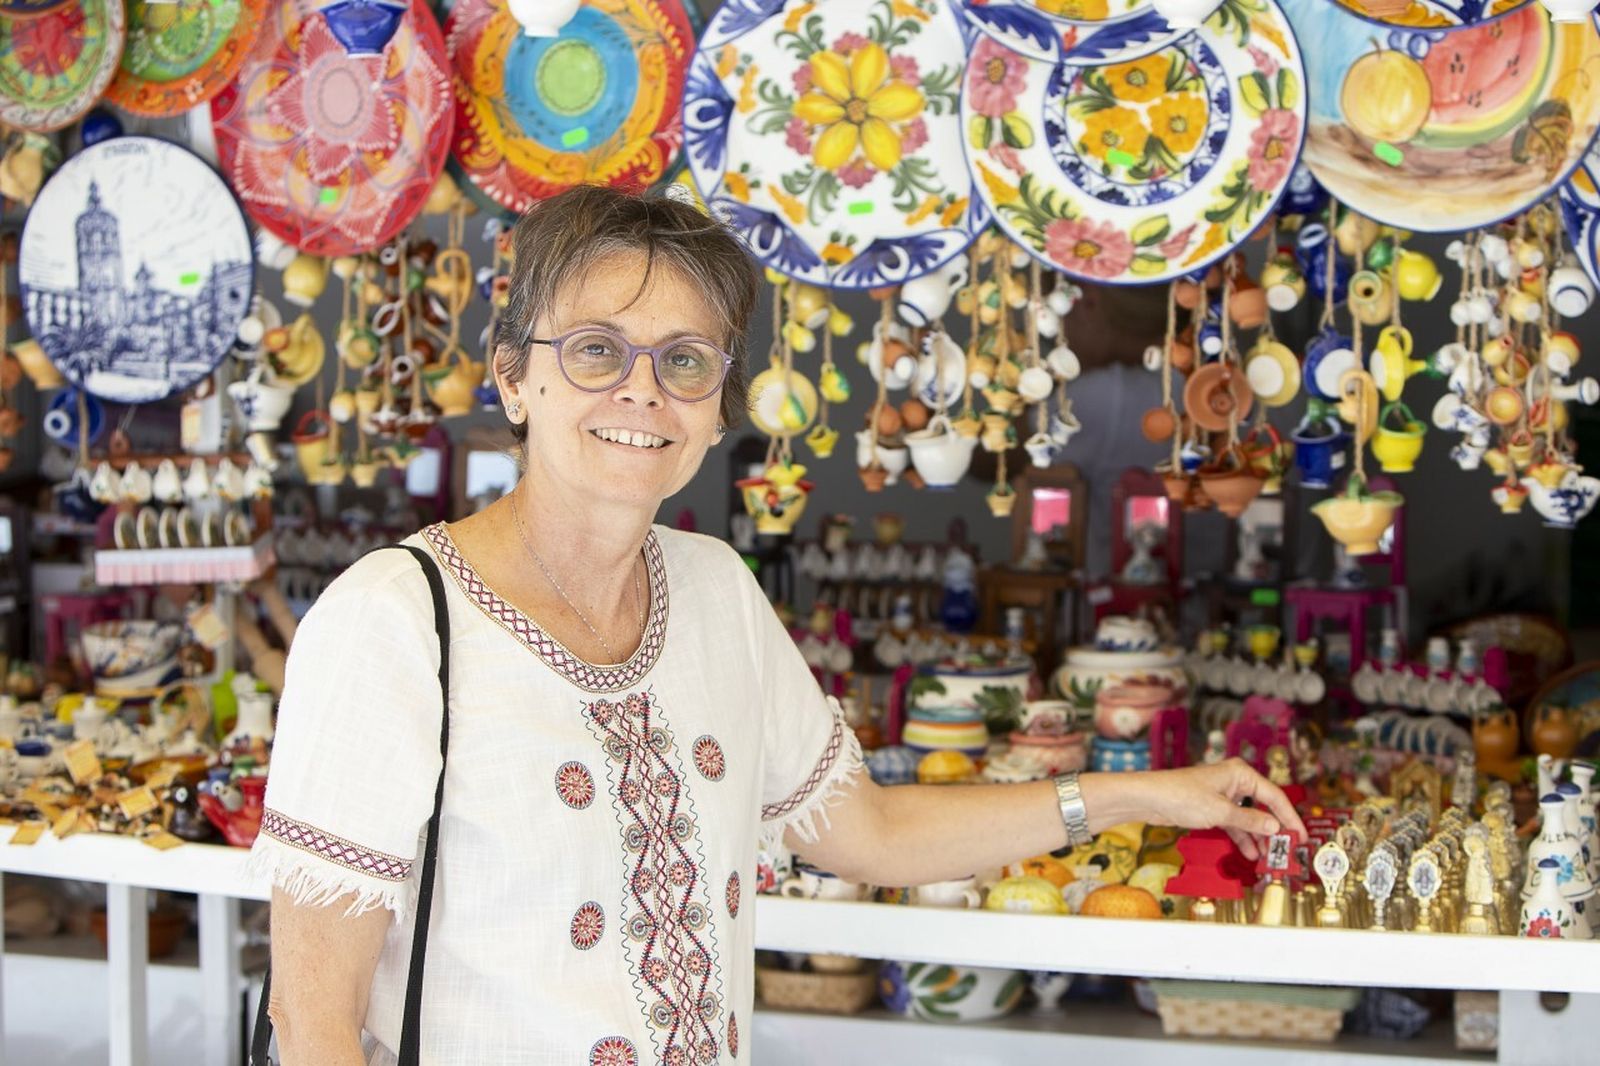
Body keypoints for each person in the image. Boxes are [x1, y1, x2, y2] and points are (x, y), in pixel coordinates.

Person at [253, 185, 1304, 1065]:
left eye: (684, 360)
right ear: (513, 377)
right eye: (593, 350)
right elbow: (313, 1022)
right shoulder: (393, 622)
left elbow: (871, 834)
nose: (641, 391)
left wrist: (1140, 792)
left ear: (717, 407)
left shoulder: (715, 593)